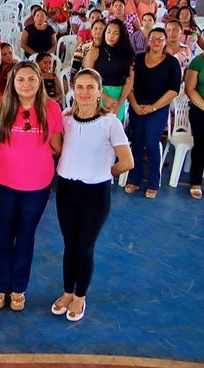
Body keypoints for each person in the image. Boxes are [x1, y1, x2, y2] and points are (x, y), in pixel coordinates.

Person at [51, 68, 134, 322]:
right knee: (69, 244)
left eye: (90, 87)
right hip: (66, 189)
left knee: (85, 247)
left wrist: (103, 171)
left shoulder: (110, 122)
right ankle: (67, 292)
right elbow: (58, 146)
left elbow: (127, 161)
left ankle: (80, 296)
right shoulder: (66, 118)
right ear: (73, 90)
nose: (84, 92)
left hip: (95, 194)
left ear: (99, 92)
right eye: (80, 87)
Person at [0, 61, 63, 312]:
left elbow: (58, 146)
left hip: (37, 185)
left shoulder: (51, 108)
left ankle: (18, 288)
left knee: (26, 235)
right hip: (3, 183)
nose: (26, 84)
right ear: (12, 82)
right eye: (21, 80)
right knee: (5, 232)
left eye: (31, 79)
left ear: (39, 81)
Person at [125, 27, 181, 199]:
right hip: (137, 105)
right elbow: (129, 84)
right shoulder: (138, 59)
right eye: (153, 38)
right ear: (148, 41)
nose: (156, 41)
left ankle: (153, 181)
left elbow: (173, 91)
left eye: (160, 38)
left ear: (165, 41)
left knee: (151, 142)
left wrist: (154, 107)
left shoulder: (172, 63)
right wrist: (134, 104)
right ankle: (134, 178)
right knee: (137, 141)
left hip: (158, 108)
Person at [83, 19, 134, 122]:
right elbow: (88, 78)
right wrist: (104, 97)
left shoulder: (127, 55)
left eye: (115, 33)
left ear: (121, 36)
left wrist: (119, 103)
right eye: (108, 31)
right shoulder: (94, 52)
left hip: (117, 97)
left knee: (113, 132)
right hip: (96, 94)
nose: (110, 36)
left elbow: (129, 81)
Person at [185, 50, 204, 199]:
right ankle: (196, 181)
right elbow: (189, 90)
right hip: (200, 109)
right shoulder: (198, 61)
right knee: (201, 145)